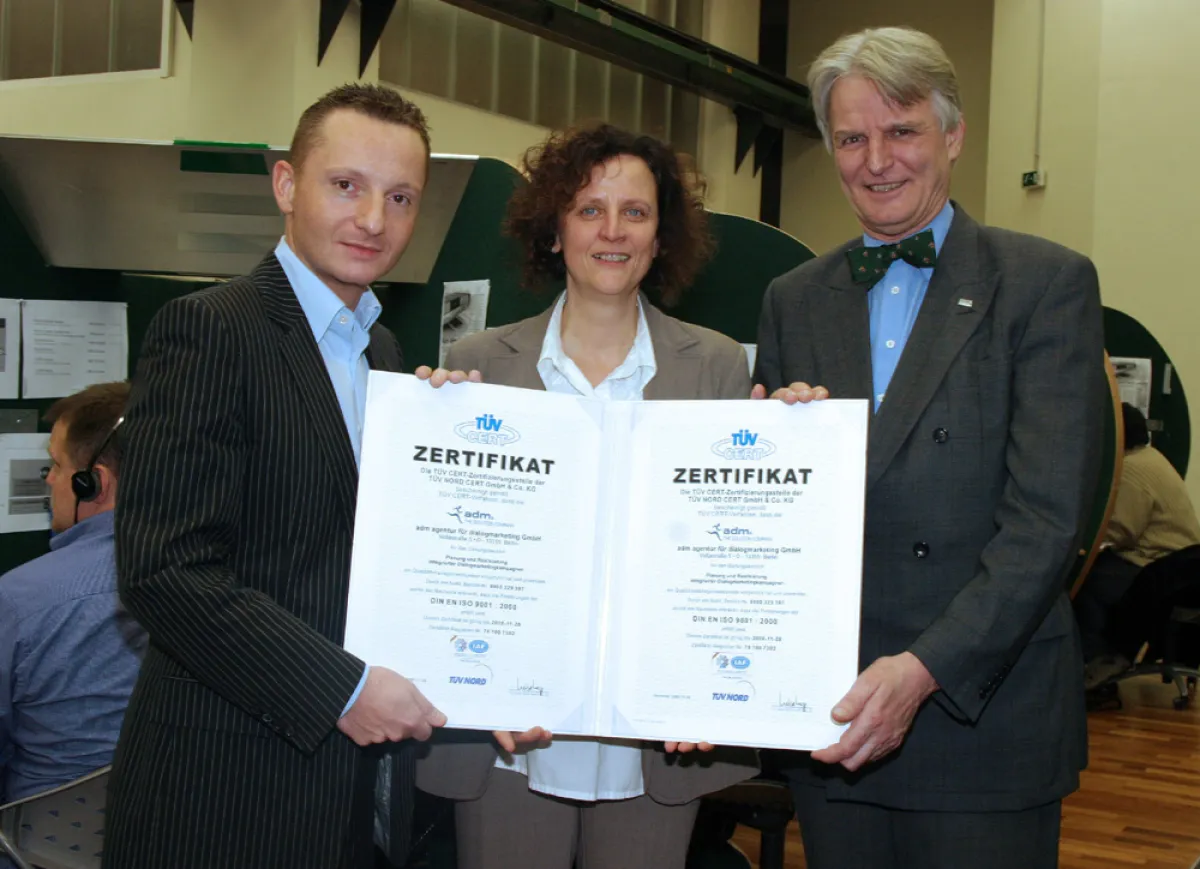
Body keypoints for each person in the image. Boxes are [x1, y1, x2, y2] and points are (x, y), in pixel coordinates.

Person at [752, 26, 1106, 869]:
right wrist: (774, 452)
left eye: (902, 130)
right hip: (836, 716)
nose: (877, 159)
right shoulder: (792, 299)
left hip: (981, 712)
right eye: (851, 137)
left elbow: (1047, 522)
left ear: (953, 135)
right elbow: (769, 517)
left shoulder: (1045, 283)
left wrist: (923, 669)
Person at [105, 84, 466, 869]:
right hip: (227, 797)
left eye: (400, 196)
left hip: (355, 801)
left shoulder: (386, 356)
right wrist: (340, 689)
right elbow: (164, 570)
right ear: (285, 184)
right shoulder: (209, 331)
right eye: (347, 185)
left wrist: (449, 447)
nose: (374, 218)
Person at [416, 123, 759, 869]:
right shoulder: (476, 364)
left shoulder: (718, 367)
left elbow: (730, 551)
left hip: (654, 739)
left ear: (661, 234)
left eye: (634, 212)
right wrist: (427, 430)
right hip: (507, 731)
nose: (612, 231)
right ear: (553, 229)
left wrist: (794, 430)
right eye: (589, 209)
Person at [0, 382, 144, 805]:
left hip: (40, 849)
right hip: (180, 837)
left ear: (92, 483)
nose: (50, 480)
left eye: (57, 465)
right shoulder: (226, 580)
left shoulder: (19, 599)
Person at [1075, 402, 1200, 684]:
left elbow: (1121, 532)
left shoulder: (1131, 469)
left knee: (1086, 582)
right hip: (1182, 567)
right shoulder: (1153, 458)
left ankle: (1098, 668)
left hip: (1160, 570)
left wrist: (1082, 543)